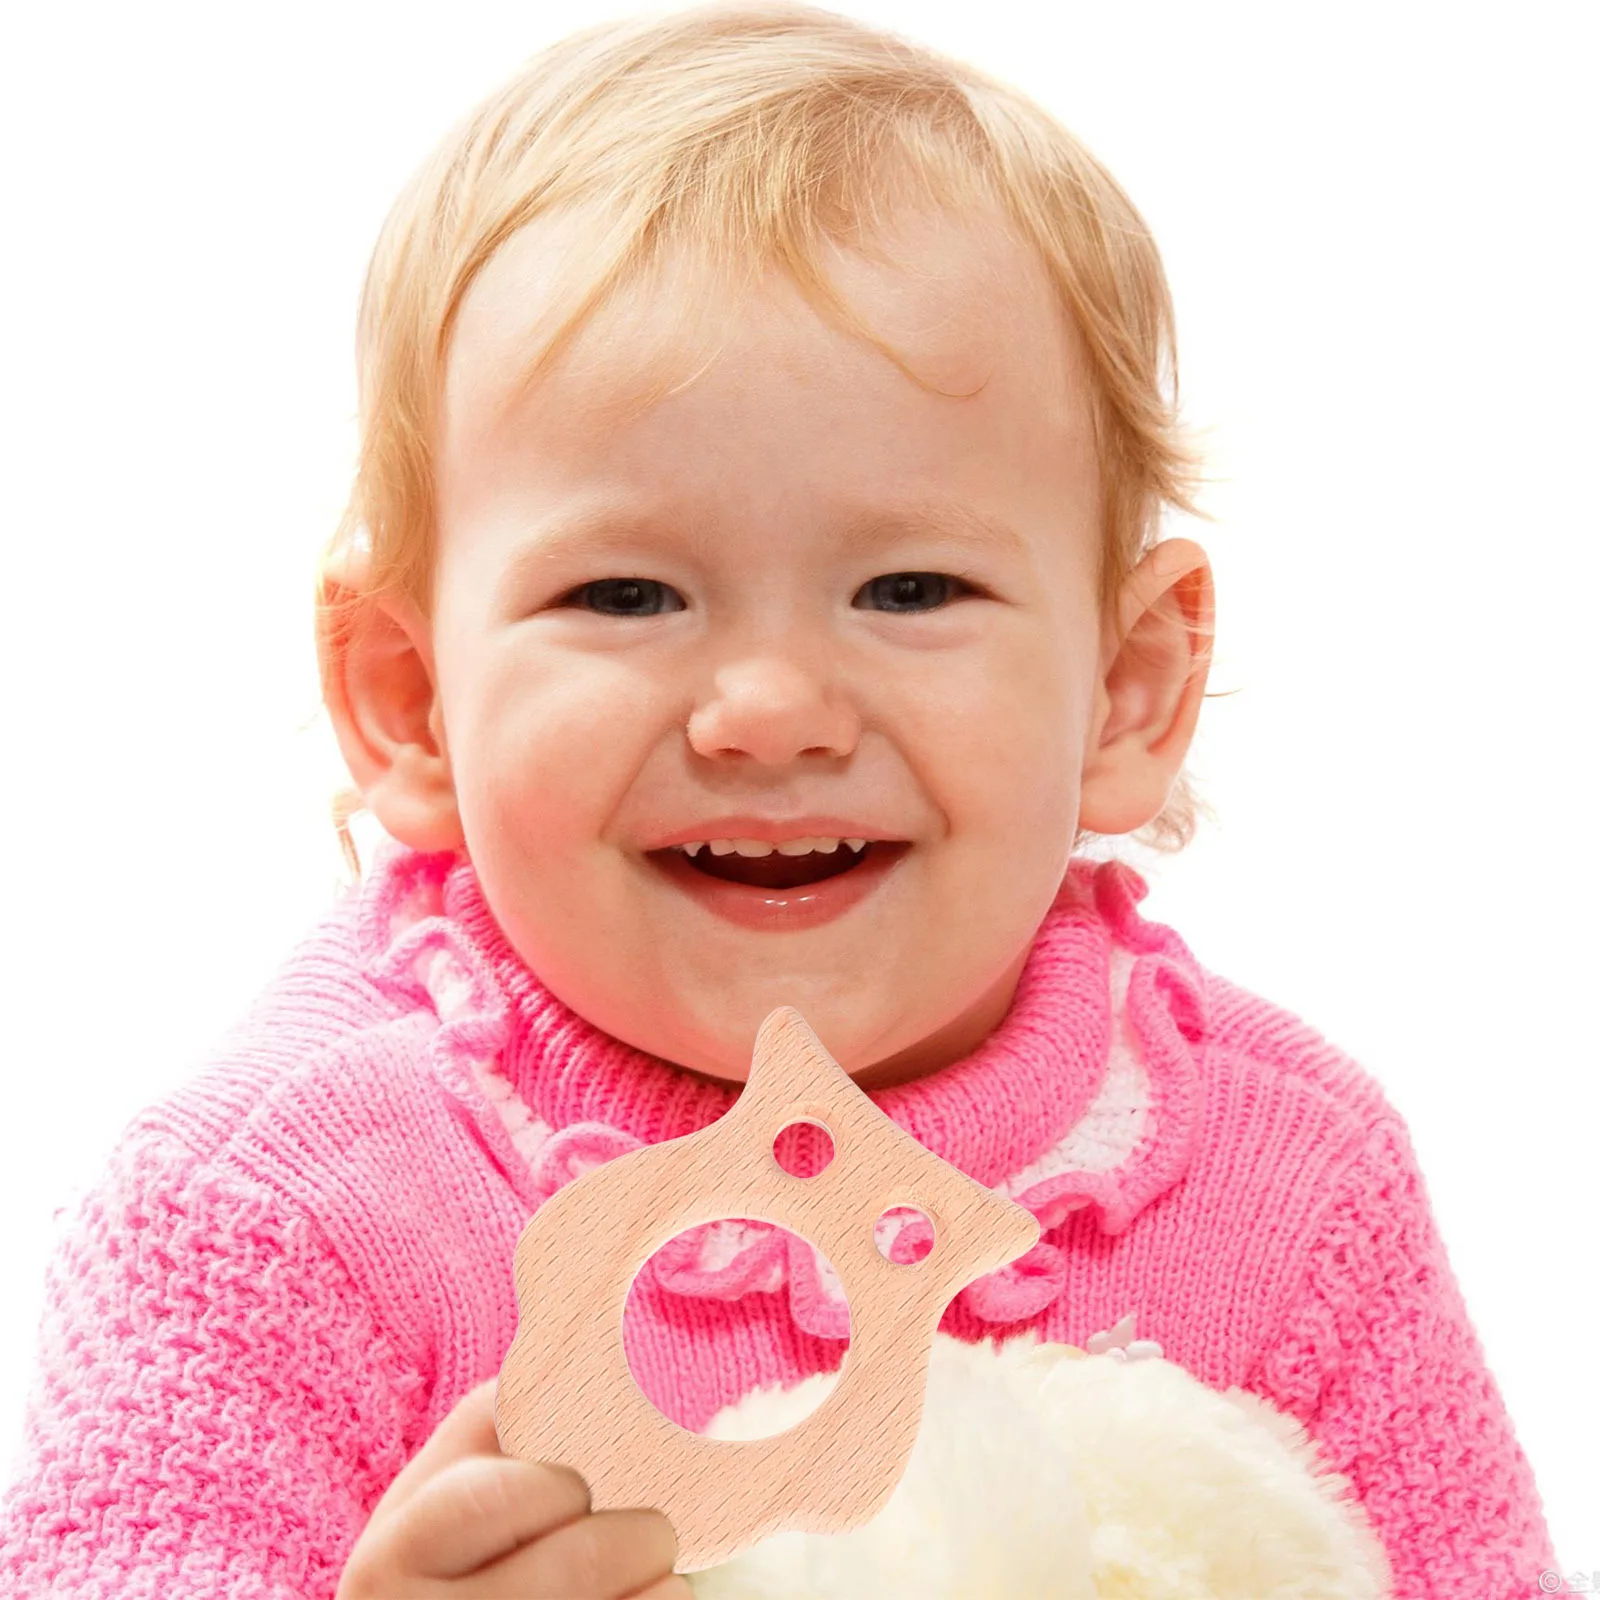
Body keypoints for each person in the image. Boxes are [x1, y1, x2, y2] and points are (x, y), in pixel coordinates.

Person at [0, 4, 1560, 1596]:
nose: (770, 713)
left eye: (907, 585)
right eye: (624, 594)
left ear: (1128, 686)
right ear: (408, 701)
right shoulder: (275, 1215)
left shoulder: (1289, 1186)